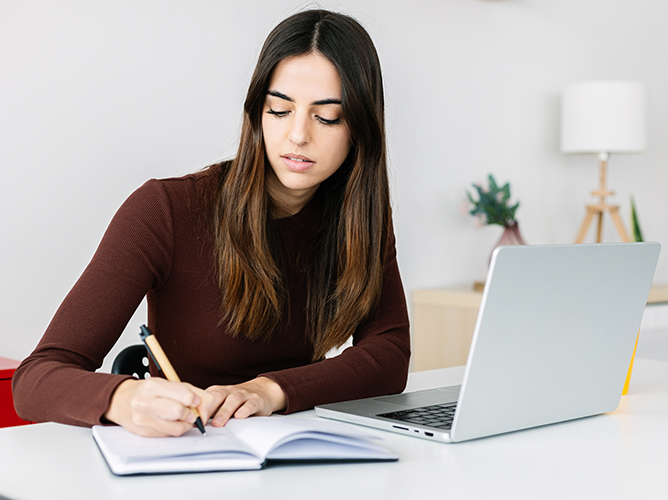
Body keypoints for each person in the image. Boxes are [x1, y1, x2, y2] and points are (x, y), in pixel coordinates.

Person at [12, 9, 410, 438]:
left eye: (326, 116)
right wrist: (123, 399)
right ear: (257, 112)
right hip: (190, 452)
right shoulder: (165, 210)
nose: (298, 135)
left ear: (361, 127)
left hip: (295, 453)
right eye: (279, 110)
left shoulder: (359, 216)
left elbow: (389, 354)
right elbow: (36, 379)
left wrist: (270, 390)